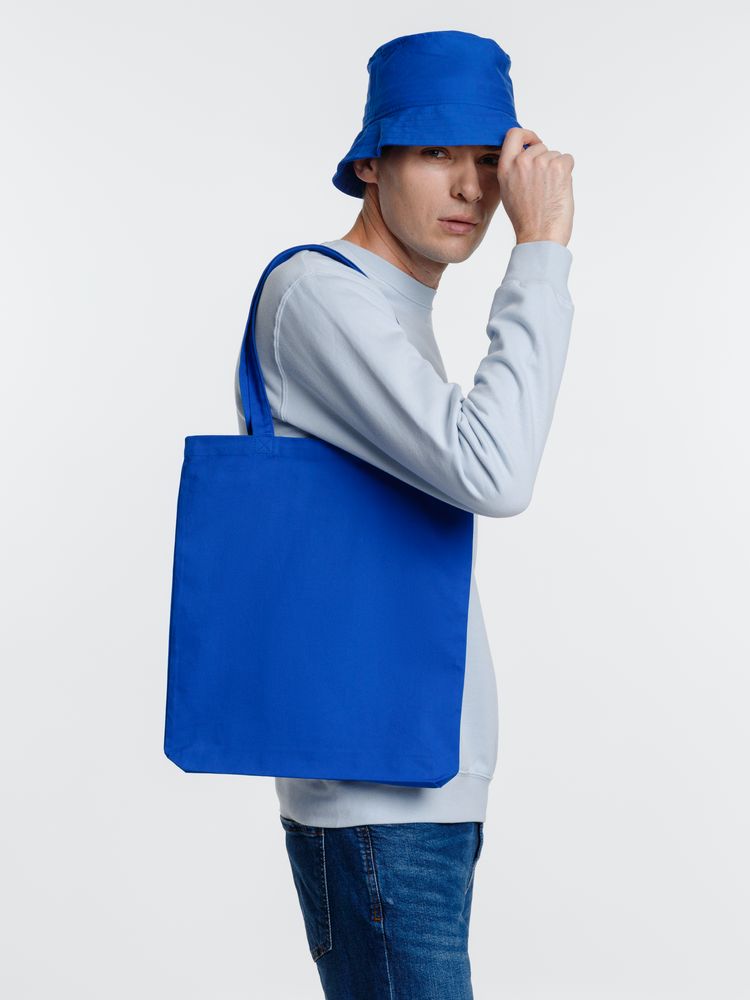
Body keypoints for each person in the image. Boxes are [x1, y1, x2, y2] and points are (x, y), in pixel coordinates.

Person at [235, 28, 575, 1000]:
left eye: (488, 161)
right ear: (371, 163)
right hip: (377, 790)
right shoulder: (316, 295)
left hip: (422, 775)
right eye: (434, 152)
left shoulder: (394, 310)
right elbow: (494, 471)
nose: (470, 187)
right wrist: (541, 253)